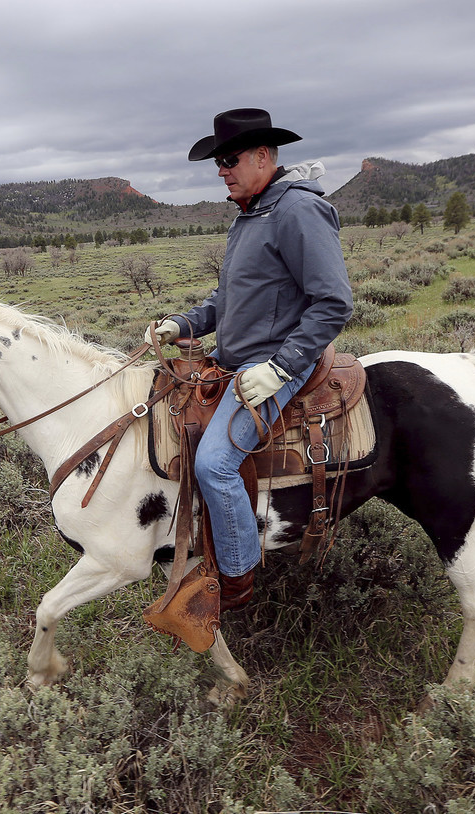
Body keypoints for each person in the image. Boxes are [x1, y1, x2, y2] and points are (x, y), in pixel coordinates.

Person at [146, 108, 352, 610]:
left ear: (263, 156)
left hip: (276, 364)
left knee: (215, 462)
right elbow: (228, 301)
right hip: (234, 358)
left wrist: (281, 367)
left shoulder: (296, 210)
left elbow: (333, 302)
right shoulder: (252, 214)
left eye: (229, 159)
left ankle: (237, 582)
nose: (221, 170)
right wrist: (184, 324)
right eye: (218, 162)